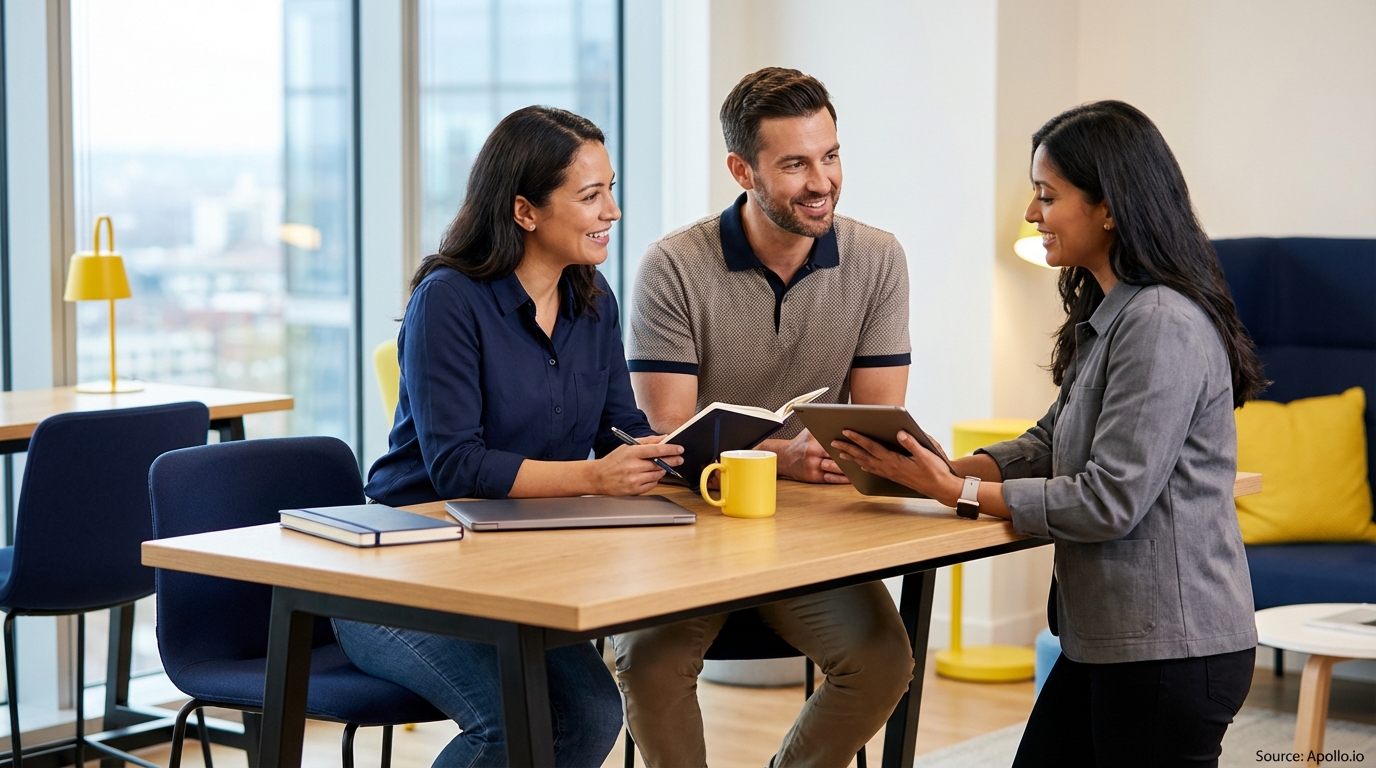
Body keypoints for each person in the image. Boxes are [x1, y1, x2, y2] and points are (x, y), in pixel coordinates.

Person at [833, 101, 1264, 768]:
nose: (1032, 215)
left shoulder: (1158, 324)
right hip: (1111, 641)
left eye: (1046, 195)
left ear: (1109, 207)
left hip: (1170, 649)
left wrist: (959, 491)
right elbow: (1047, 440)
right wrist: (932, 464)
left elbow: (1108, 500)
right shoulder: (1113, 315)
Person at [336, 105, 684, 767]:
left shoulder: (593, 298)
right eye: (590, 196)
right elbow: (458, 470)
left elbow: (621, 431)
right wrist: (594, 478)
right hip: (397, 573)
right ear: (525, 211)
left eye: (611, 189)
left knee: (589, 714)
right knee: (508, 723)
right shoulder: (449, 300)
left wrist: (683, 451)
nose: (611, 211)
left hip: (512, 569)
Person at [614, 67, 916, 767]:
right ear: (741, 169)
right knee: (649, 665)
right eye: (795, 164)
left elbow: (874, 422)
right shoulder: (672, 267)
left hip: (808, 535)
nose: (822, 181)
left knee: (882, 662)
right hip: (688, 527)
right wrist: (783, 454)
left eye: (831, 155)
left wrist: (850, 450)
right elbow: (669, 440)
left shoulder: (878, 260)